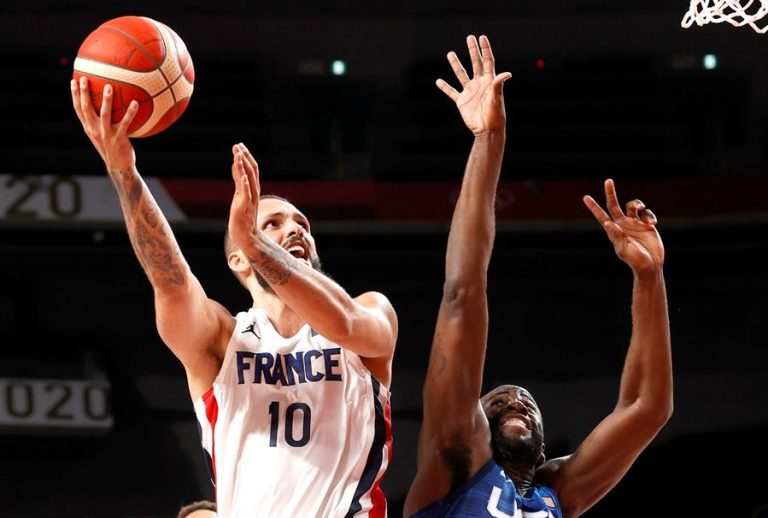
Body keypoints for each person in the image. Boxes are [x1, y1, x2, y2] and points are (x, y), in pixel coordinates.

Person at [70, 78, 398, 517]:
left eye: (301, 223)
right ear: (238, 261)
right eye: (273, 224)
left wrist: (257, 243)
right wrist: (124, 172)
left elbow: (349, 325)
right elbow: (170, 279)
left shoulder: (368, 310)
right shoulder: (224, 339)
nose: (296, 228)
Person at [403, 34, 673, 518]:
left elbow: (645, 408)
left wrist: (649, 279)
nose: (516, 401)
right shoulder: (452, 464)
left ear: (546, 450)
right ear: (472, 426)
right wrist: (489, 140)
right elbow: (463, 293)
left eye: (524, 404)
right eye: (499, 403)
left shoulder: (555, 495)